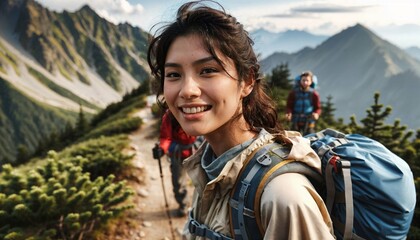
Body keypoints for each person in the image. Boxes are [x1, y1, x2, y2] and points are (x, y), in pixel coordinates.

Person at [147, 1, 334, 239]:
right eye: (173, 74)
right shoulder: (209, 165)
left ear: (247, 81)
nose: (187, 90)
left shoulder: (283, 198)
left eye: (207, 70)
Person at [156, 110, 201, 217]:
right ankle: (184, 205)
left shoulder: (198, 109)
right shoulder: (169, 115)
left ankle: (201, 206)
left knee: (201, 180)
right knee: (179, 182)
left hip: (195, 150)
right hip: (181, 152)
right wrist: (161, 149)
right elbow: (166, 137)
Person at [286, 71, 321, 135]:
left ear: (311, 82)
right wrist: (289, 113)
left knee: (309, 139)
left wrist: (316, 114)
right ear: (300, 81)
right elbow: (289, 106)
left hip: (309, 120)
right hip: (295, 120)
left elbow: (317, 107)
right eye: (303, 80)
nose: (305, 82)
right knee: (294, 139)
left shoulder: (314, 94)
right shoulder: (293, 93)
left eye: (307, 80)